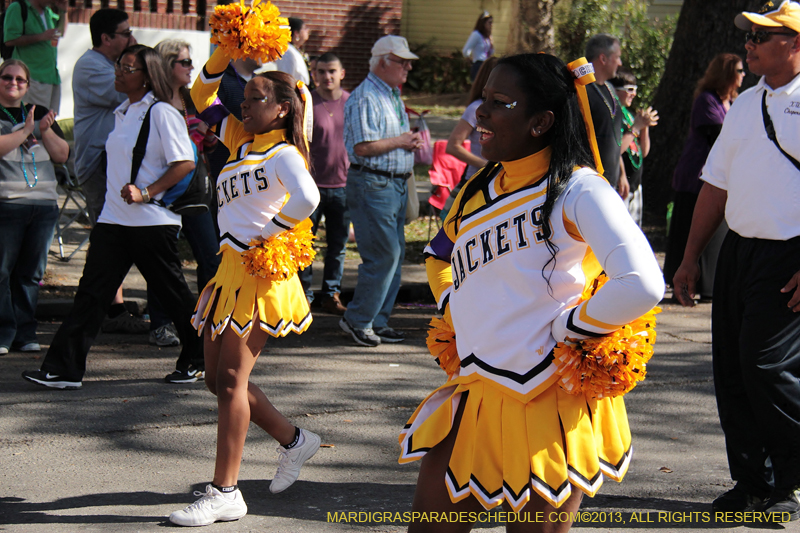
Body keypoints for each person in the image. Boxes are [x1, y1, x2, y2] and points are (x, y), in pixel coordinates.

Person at [400, 52, 664, 533]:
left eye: (500, 103)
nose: (480, 113)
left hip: (547, 399)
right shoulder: (478, 188)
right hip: (475, 390)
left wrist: (573, 326)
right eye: (483, 98)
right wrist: (456, 309)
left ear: (541, 121)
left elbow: (642, 282)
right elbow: (439, 257)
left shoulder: (579, 189)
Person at [168, 46, 322, 527]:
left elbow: (309, 197)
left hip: (260, 272)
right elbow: (198, 97)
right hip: (228, 271)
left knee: (232, 382)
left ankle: (225, 491)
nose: (244, 105)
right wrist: (225, 51)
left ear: (281, 107)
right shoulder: (240, 139)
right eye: (246, 97)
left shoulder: (284, 152)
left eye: (256, 98)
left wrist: (270, 234)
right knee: (216, 380)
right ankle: (295, 439)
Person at [673, 1, 800, 522]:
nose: (748, 45)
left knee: (766, 367)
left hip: (788, 253)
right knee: (731, 370)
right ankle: (753, 483)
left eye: (761, 37)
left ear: (794, 43)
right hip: (740, 251)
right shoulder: (747, 103)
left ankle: (789, 482)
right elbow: (715, 183)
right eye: (748, 37)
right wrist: (688, 259)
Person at [21, 44, 204, 389]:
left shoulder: (161, 112)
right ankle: (63, 369)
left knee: (173, 295)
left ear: (147, 77)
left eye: (127, 68)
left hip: (151, 222)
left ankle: (199, 358)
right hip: (113, 220)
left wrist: (147, 192)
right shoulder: (124, 111)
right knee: (91, 294)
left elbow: (185, 163)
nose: (118, 73)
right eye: (119, 66)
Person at [340, 35, 424, 347]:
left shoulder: (388, 94)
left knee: (394, 254)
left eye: (408, 62)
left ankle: (376, 319)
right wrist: (403, 141)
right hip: (374, 183)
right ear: (383, 62)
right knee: (384, 256)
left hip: (391, 183)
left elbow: (380, 141)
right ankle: (358, 319)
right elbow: (362, 147)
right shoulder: (366, 97)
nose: (408, 67)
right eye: (402, 61)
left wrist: (407, 142)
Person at [72, 9, 146, 336]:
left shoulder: (107, 65)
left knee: (113, 236)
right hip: (97, 163)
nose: (131, 39)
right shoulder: (91, 67)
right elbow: (128, 90)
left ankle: (111, 308)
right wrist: (145, 65)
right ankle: (107, 310)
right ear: (106, 38)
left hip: (111, 163)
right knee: (109, 236)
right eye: (125, 34)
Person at [148, 39, 220, 347]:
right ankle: (162, 324)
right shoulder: (154, 104)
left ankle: (206, 319)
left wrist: (209, 137)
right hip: (164, 191)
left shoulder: (194, 100)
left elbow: (213, 141)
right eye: (185, 62)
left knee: (211, 257)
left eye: (192, 62)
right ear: (167, 66)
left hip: (195, 192)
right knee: (165, 262)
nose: (192, 68)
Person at [0, 59, 69, 356]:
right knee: (2, 271)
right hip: (7, 202)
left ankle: (25, 333)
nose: (13, 83)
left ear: (28, 85)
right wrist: (25, 130)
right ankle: (4, 333)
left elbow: (62, 155)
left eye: (20, 80)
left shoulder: (40, 114)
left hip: (43, 205)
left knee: (30, 273)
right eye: (7, 78)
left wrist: (44, 130)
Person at [662, 53, 744, 297]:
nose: (743, 75)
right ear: (727, 73)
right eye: (739, 71)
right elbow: (718, 135)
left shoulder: (733, 102)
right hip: (696, 177)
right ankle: (683, 280)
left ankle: (710, 285)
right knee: (689, 228)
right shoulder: (706, 100)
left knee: (718, 232)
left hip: (723, 177)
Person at [298, 52, 350, 315]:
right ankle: (304, 296)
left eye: (332, 71)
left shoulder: (351, 102)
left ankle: (331, 294)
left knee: (337, 245)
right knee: (305, 244)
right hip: (311, 188)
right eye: (321, 71)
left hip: (343, 186)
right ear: (313, 74)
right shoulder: (306, 102)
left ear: (341, 73)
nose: (326, 76)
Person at [610, 69, 659, 227]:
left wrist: (644, 127)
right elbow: (616, 149)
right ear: (616, 91)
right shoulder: (613, 114)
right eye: (629, 90)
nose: (634, 94)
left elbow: (643, 152)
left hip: (636, 185)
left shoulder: (629, 115)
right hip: (620, 184)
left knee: (633, 228)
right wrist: (635, 128)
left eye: (635, 90)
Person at [3, 0, 66, 114]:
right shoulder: (17, 8)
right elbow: (10, 39)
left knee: (48, 123)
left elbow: (60, 32)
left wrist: (63, 11)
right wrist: (41, 36)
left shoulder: (47, 11)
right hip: (31, 77)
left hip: (51, 76)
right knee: (32, 123)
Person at [445, 56, 497, 182]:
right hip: (477, 180)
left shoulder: (508, 109)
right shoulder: (476, 108)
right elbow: (452, 146)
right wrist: (487, 166)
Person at [585, 34, 624, 193]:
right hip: (591, 185)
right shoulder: (582, 91)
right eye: (618, 57)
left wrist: (622, 173)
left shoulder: (610, 89)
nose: (620, 63)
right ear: (603, 58)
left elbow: (614, 136)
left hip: (611, 183)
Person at [275, 17, 310, 86]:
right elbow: (285, 78)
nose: (308, 31)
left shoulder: (293, 50)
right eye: (304, 28)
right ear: (296, 33)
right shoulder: (287, 52)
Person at [462, 11, 493, 81]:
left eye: (492, 23)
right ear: (483, 23)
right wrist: (470, 60)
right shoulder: (476, 35)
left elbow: (490, 53)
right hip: (478, 65)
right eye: (489, 23)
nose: (491, 25)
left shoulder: (487, 36)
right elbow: (465, 51)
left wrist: (491, 42)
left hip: (486, 65)